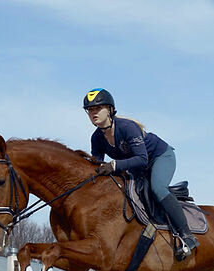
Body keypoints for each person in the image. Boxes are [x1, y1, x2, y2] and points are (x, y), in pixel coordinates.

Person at [83, 88, 199, 260]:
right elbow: (97, 165)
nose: (93, 113)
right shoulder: (96, 138)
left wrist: (114, 165)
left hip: (159, 157)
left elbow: (142, 159)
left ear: (109, 110)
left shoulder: (127, 127)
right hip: (136, 167)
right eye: (90, 110)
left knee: (157, 188)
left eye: (97, 108)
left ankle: (188, 236)